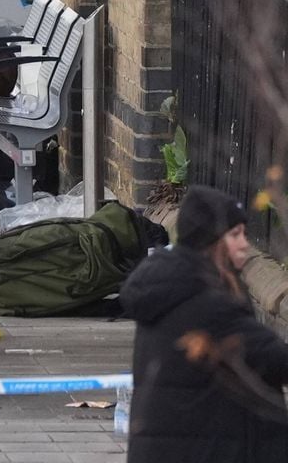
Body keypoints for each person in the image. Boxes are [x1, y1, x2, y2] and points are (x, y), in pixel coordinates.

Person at [120, 185, 288, 462]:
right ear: (211, 241)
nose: (245, 243)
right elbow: (271, 356)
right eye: (235, 235)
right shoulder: (205, 299)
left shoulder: (172, 283)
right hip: (199, 448)